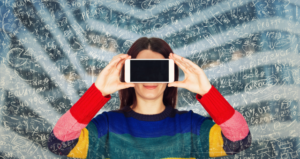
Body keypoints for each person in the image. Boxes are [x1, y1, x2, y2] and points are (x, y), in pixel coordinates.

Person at [47, 37, 251, 159]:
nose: (150, 77)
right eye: (143, 69)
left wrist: (207, 91)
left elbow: (239, 140)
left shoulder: (190, 126)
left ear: (171, 74)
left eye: (158, 69)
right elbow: (59, 143)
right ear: (128, 74)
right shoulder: (107, 126)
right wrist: (97, 91)